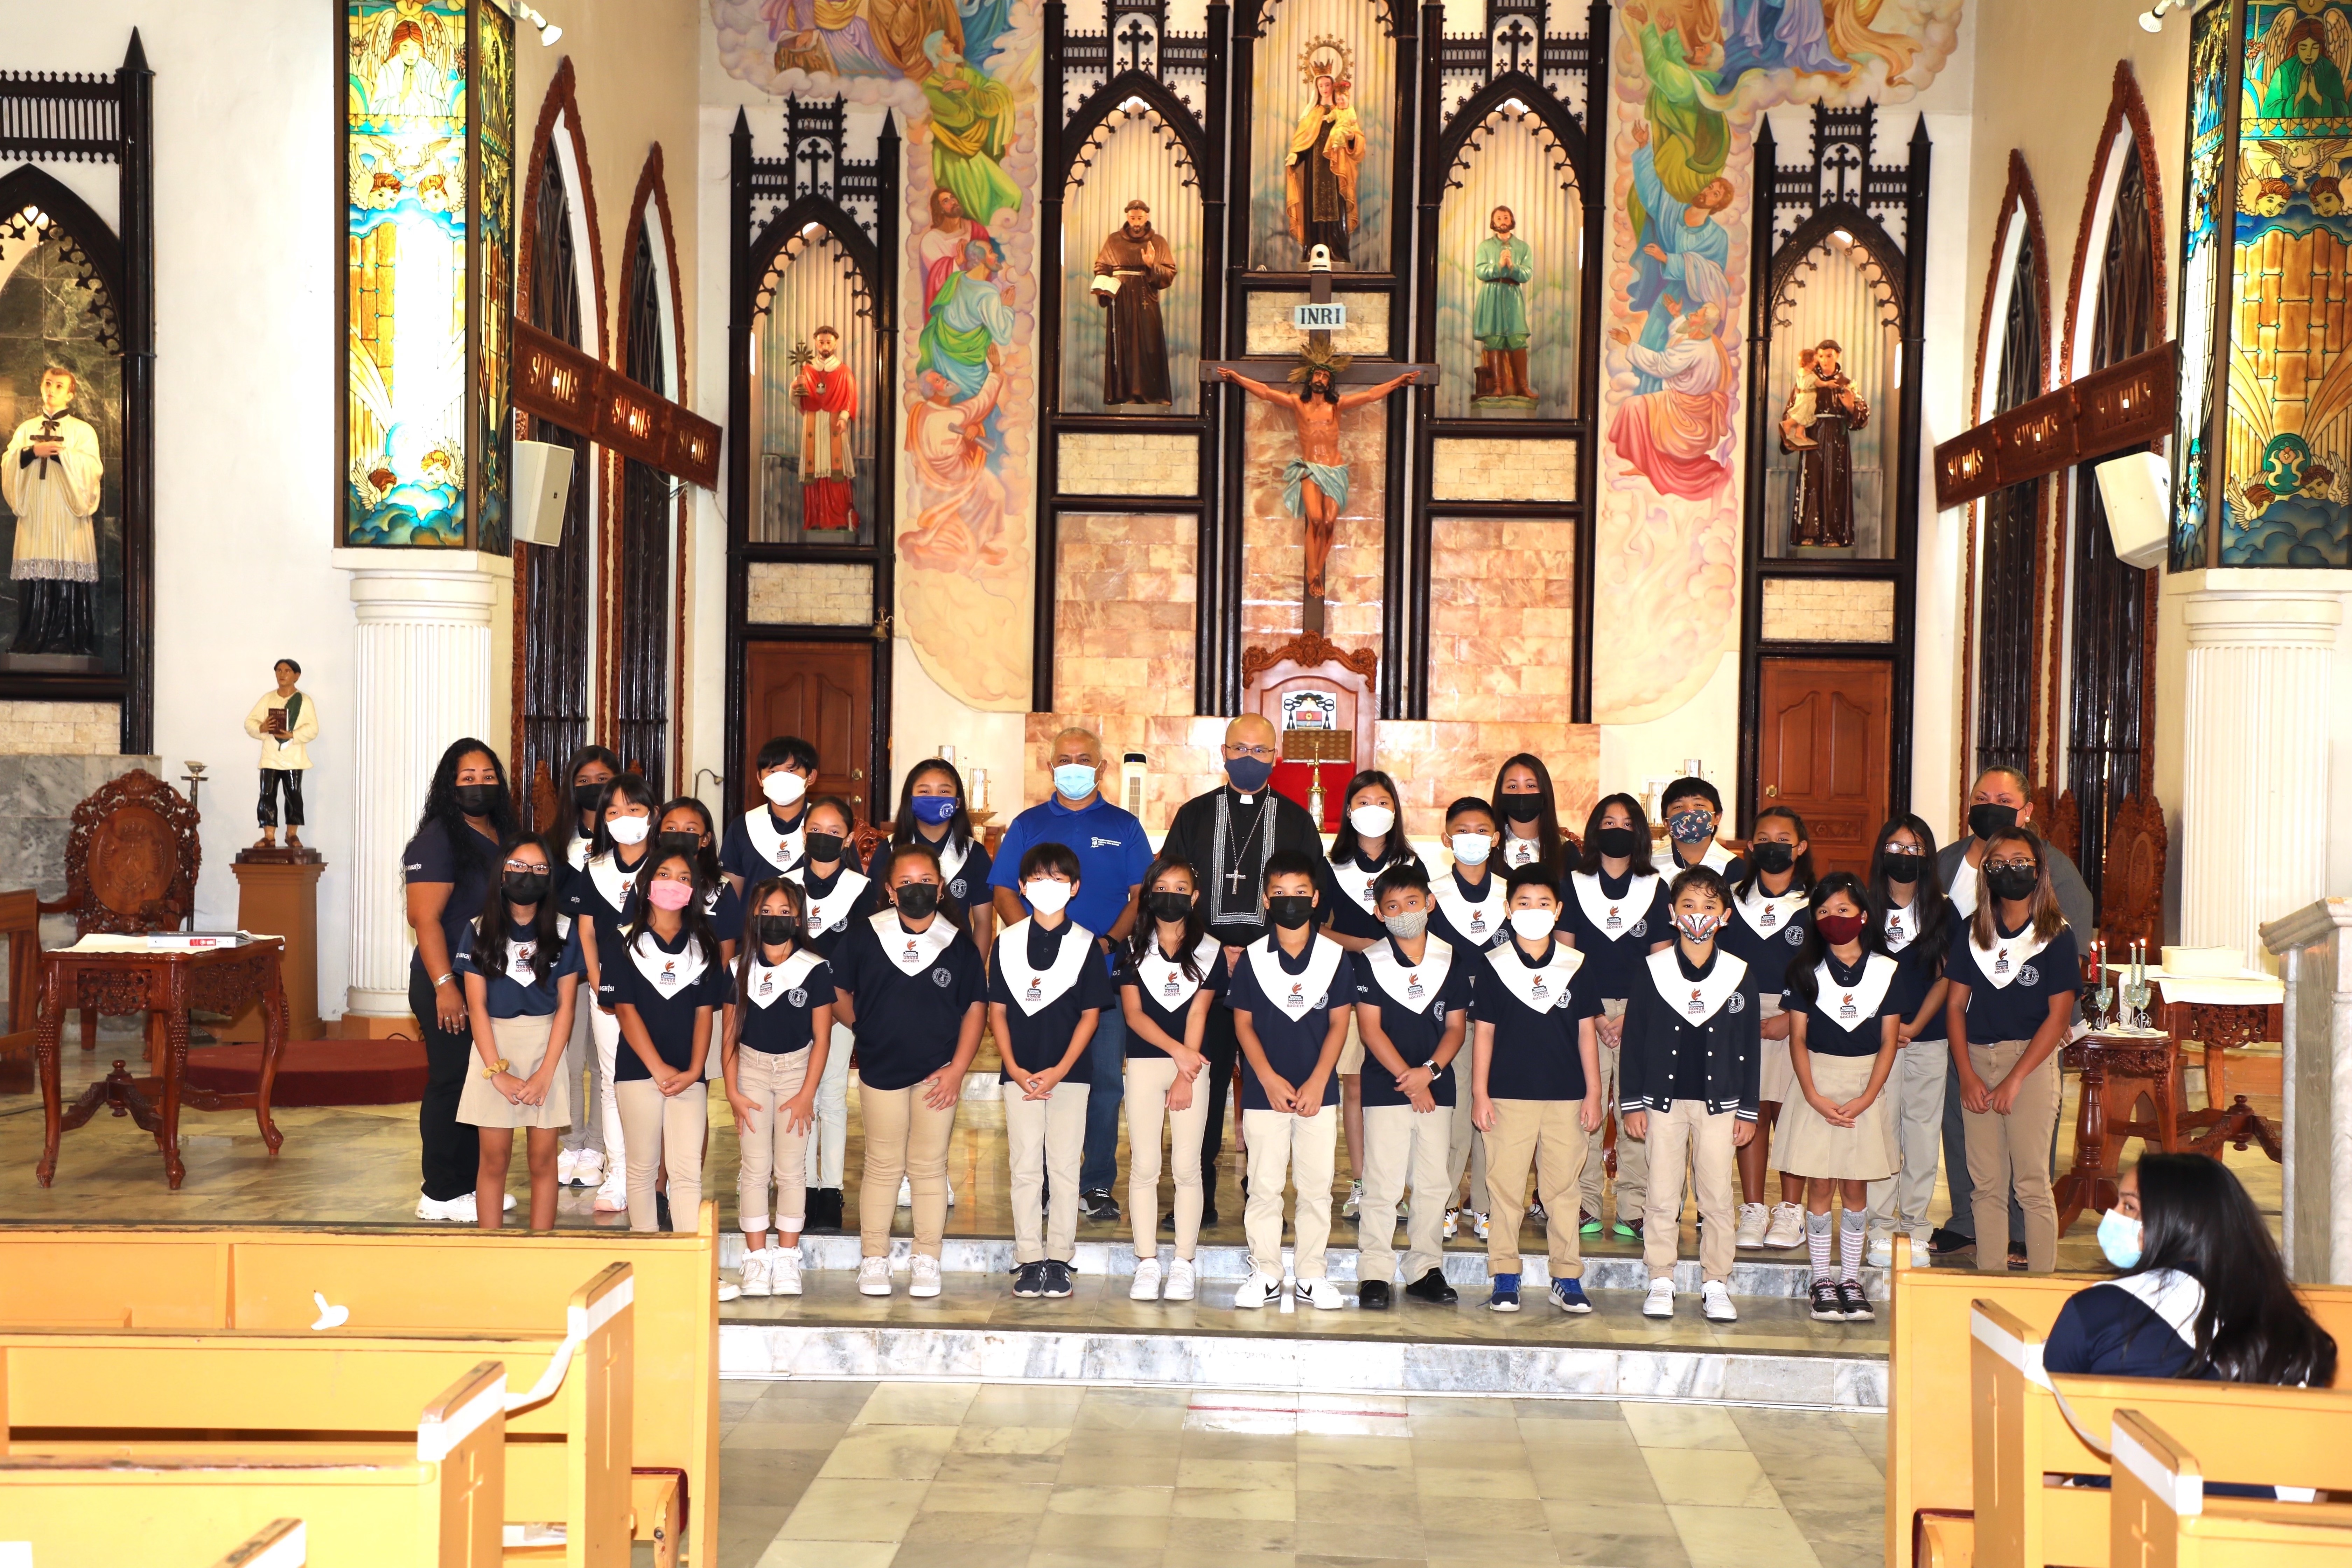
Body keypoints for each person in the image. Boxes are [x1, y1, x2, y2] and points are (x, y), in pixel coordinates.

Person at [1160, 715, 1332, 1228]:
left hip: (1274, 971)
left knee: (1268, 1080)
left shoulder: (1297, 820)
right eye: (1241, 749)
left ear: (1276, 757)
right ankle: (1199, 1194)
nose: (1250, 759)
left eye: (1261, 751)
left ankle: (1267, 1196)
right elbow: (1171, 894)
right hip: (1204, 968)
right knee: (1204, 1078)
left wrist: (1256, 952)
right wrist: (1215, 948)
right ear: (1224, 752)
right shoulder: (1193, 817)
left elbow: (1310, 898)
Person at [1929, 766, 2094, 1263]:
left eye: (2003, 797)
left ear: (2027, 811)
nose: (1990, 804)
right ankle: (1970, 1224)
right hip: (1968, 1036)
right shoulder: (1948, 864)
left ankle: (2025, 1236)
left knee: (2027, 1156)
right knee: (1968, 1142)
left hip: (2031, 1034)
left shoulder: (2055, 874)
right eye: (1982, 797)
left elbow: (2065, 972)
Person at [991, 728, 1152, 1224]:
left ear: (1101, 769)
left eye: (1085, 759)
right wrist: (1037, 943)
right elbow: (1003, 892)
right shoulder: (1027, 824)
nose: (1075, 766)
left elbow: (1140, 896)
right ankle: (1038, 1179)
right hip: (1035, 986)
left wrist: (1104, 944)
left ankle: (1097, 1183)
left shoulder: (1124, 826)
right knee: (1040, 1080)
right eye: (1065, 759)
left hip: (1101, 975)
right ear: (1051, 766)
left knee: (1104, 1083)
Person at [832, 843, 988, 1298]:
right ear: (889, 890)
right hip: (881, 1069)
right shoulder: (866, 935)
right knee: (882, 1165)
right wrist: (862, 1027)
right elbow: (839, 988)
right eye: (905, 883)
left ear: (940, 889)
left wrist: (959, 1069)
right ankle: (875, 1258)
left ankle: (927, 1258)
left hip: (937, 1074)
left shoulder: (957, 944)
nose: (915, 889)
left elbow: (975, 1008)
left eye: (925, 882)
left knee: (928, 1167)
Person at [2052, 1154, 2336, 1387]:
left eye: (2129, 1206)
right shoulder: (2296, 1331)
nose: (2112, 1215)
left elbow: (2043, 1409)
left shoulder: (2096, 1310)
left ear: (2180, 1223)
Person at [1620, 867, 1759, 1323]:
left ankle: (1716, 1281)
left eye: (1709, 906)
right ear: (1672, 913)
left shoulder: (1739, 974)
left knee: (1717, 1195)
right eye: (1689, 906)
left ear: (1725, 916)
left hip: (1720, 1102)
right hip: (1663, 1101)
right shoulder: (1652, 971)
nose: (1698, 915)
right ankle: (1661, 1277)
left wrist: (1750, 1110)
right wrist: (1632, 1103)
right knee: (1661, 1192)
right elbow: (1635, 1040)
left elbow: (1749, 1048)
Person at [1471, 865, 1603, 1314]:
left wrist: (1594, 1093)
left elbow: (1587, 1032)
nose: (1533, 911)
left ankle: (1566, 1276)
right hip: (1508, 1095)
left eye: (1544, 903)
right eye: (1523, 903)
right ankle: (1505, 1273)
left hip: (1567, 1096)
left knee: (1563, 1191)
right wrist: (1480, 1093)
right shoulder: (1494, 967)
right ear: (1507, 910)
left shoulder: (1577, 965)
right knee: (1504, 1188)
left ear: (1559, 910)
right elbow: (1484, 1033)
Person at [990, 842, 1119, 1300]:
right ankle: (1029, 1257)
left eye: (1059, 880)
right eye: (1039, 880)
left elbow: (1090, 1016)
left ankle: (1060, 1257)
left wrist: (1061, 1069)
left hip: (1071, 1074)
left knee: (1065, 1168)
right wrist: (1013, 1066)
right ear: (1022, 888)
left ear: (1075, 887)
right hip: (1018, 1073)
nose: (1049, 888)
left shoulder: (1085, 945)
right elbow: (998, 1012)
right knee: (1025, 1167)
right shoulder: (1005, 943)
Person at [1224, 850, 1351, 1309]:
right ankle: (1266, 1271)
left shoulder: (1335, 958)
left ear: (1316, 898)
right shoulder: (1255, 959)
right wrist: (1268, 1078)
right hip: (1265, 1092)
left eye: (1300, 893)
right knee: (1264, 1185)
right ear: (1265, 900)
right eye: (1280, 894)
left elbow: (1339, 1023)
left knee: (1317, 1186)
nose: (1290, 901)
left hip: (1320, 1090)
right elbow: (1243, 1025)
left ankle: (1312, 1273)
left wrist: (1320, 1079)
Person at [402, 738, 519, 1224]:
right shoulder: (437, 840)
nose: (479, 785)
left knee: (484, 1084)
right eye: (467, 778)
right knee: (452, 1082)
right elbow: (424, 919)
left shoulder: (505, 834)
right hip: (448, 981)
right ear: (450, 787)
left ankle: (472, 1186)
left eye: (487, 776)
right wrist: (445, 984)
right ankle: (440, 1190)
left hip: (492, 984)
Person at [1775, 874, 1902, 1322]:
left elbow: (1889, 1040)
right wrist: (1811, 1093)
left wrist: (1870, 1095)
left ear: (1863, 916)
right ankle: (1821, 1279)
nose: (1834, 919)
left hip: (1864, 1085)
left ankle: (1851, 1277)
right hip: (1817, 1082)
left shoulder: (1887, 971)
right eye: (1824, 912)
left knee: (1854, 1185)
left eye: (1843, 910)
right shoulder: (1804, 971)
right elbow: (1797, 1038)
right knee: (1820, 1185)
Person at [1353, 861, 1473, 1309]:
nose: (1404, 911)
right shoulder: (1370, 961)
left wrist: (1430, 1073)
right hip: (1387, 1085)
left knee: (1433, 1181)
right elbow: (1370, 1029)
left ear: (1430, 903)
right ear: (1379, 914)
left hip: (1437, 1085)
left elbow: (1457, 1028)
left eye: (1412, 902)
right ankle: (1375, 1272)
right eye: (1392, 906)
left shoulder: (1450, 957)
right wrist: (1411, 1078)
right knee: (1382, 1180)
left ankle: (1425, 1267)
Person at [1558, 793, 1673, 1242]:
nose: (1618, 828)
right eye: (1609, 820)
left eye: (1628, 822)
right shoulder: (1573, 883)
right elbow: (1565, 956)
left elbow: (1661, 963)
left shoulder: (1655, 887)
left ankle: (1634, 1207)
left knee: (1636, 1111)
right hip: (1583, 1008)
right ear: (1594, 829)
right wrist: (1591, 1013)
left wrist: (1633, 1014)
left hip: (1640, 1012)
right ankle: (1582, 1203)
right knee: (1582, 1110)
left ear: (1640, 832)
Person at [454, 833, 582, 1233]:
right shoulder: (477, 929)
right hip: (494, 1046)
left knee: (544, 1159)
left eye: (539, 869)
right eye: (519, 867)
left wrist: (546, 1073)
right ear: (502, 873)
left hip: (547, 1047)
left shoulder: (565, 930)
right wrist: (498, 1071)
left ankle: (540, 1246)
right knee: (493, 1160)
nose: (529, 876)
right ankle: (490, 1247)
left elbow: (567, 1006)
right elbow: (476, 1006)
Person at [598, 847, 727, 1234]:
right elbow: (624, 1010)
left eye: (686, 879)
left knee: (687, 1171)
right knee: (642, 1168)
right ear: (647, 883)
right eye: (666, 875)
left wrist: (693, 1071)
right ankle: (647, 1256)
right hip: (638, 1072)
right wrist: (658, 1068)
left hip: (689, 1077)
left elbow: (706, 1013)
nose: (676, 884)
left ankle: (688, 1261)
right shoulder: (625, 941)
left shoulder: (704, 944)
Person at [722, 877, 833, 1299]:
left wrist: (807, 1092)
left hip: (794, 1073)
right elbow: (729, 1035)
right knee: (754, 1167)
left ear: (798, 918)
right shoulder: (738, 969)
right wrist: (732, 1090)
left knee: (791, 1168)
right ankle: (755, 1260)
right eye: (767, 912)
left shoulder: (814, 968)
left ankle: (787, 1258)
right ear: (754, 916)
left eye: (785, 913)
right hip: (750, 1069)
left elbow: (822, 1038)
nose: (775, 920)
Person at [1121, 855, 1222, 1301]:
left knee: (1187, 1166)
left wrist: (1187, 1071)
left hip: (1192, 1067)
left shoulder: (1210, 949)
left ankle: (1183, 1261)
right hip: (1147, 1062)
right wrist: (1179, 1053)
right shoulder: (1130, 946)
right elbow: (1133, 1014)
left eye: (1182, 888)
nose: (1172, 895)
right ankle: (1146, 1261)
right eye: (1163, 887)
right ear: (1148, 892)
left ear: (1194, 896)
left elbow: (1199, 1011)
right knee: (1144, 1165)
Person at [1321, 768, 1416, 1222]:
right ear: (1348, 810)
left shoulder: (1410, 868)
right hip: (1346, 986)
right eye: (1363, 803)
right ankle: (1361, 1182)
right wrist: (1368, 945)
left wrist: (1364, 943)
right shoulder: (1329, 865)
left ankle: (1392, 1184)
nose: (1372, 811)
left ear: (1394, 811)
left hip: (1399, 989)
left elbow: (1415, 932)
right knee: (1356, 1085)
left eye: (1382, 802)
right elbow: (1318, 930)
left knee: (1395, 1086)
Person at [561, 773, 659, 1216]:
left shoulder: (664, 866)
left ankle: (661, 1175)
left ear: (652, 814)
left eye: (634, 809)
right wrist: (599, 980)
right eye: (615, 811)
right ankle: (621, 1173)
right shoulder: (595, 868)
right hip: (609, 994)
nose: (625, 819)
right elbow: (586, 930)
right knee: (612, 1078)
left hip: (661, 991)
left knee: (660, 1079)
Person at [1723, 804, 1817, 1250]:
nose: (1773, 846)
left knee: (1792, 1115)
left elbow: (1829, 968)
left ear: (1800, 848)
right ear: (1750, 847)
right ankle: (1755, 1208)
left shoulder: (1817, 903)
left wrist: (1793, 1016)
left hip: (1795, 1018)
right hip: (1740, 1018)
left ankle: (1791, 1212)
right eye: (1764, 838)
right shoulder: (1731, 900)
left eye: (1784, 839)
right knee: (1752, 1113)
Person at [1863, 815, 1954, 1267]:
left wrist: (1916, 1024)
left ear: (1929, 856)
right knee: (1881, 1130)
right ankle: (1880, 1225)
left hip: (1926, 1038)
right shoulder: (1863, 908)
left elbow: (1948, 977)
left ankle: (1915, 1224)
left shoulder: (1941, 908)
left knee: (1921, 1131)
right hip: (1874, 1040)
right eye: (1896, 847)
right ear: (1882, 852)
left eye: (1915, 849)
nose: (1905, 857)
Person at [791, 794, 880, 1231]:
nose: (823, 838)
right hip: (792, 1007)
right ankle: (802, 1187)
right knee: (800, 1096)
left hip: (841, 1006)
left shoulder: (862, 892)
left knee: (831, 1097)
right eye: (816, 830)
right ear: (804, 832)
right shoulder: (784, 884)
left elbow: (861, 954)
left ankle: (831, 1189)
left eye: (833, 832)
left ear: (847, 839)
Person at [1429, 795, 1509, 1242]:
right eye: (1463, 830)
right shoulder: (1432, 893)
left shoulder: (1511, 893)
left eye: (1482, 831)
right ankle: (1444, 1201)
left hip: (1501, 1021)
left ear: (1496, 839)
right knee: (1456, 1113)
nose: (1472, 839)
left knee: (1491, 1114)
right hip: (1452, 1022)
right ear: (1447, 838)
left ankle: (1485, 1205)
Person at [552, 747, 621, 1191]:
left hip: (612, 961)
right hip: (564, 963)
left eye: (603, 779)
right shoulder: (556, 839)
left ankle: (598, 1146)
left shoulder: (631, 839)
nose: (594, 788)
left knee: (604, 1063)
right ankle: (571, 1142)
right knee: (568, 1058)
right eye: (585, 780)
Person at [889, 758, 994, 953]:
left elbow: (983, 922)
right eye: (924, 791)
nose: (934, 798)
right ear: (910, 799)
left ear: (957, 802)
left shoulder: (975, 855)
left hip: (957, 961)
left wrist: (975, 975)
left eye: (944, 792)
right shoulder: (889, 849)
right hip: (898, 958)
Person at [720, 734, 820, 894]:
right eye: (772, 771)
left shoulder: (829, 825)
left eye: (791, 770)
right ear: (760, 778)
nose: (781, 778)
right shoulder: (742, 827)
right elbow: (732, 895)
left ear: (811, 777)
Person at [244, 659, 319, 850]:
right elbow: (250, 722)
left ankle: (292, 834)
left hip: (293, 757)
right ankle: (269, 836)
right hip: (270, 757)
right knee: (267, 795)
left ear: (297, 676)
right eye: (279, 670)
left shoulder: (304, 700)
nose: (282, 674)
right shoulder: (268, 699)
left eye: (287, 671)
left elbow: (313, 728)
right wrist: (262, 728)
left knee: (294, 795)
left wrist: (293, 735)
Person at [1492, 754, 1574, 873]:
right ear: (1501, 793)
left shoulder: (1566, 851)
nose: (1522, 793)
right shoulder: (1487, 850)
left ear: (1545, 791)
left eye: (1531, 786)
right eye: (1513, 786)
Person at [1658, 775, 1745, 880]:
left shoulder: (1738, 870)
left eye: (1699, 805)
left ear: (1717, 817)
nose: (1689, 811)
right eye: (1678, 807)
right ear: (1666, 823)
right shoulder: (1649, 867)